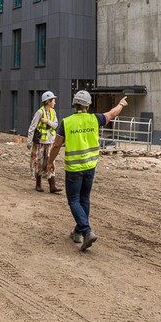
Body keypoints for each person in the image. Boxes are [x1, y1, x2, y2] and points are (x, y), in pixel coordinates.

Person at [46, 91, 127, 251]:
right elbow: (112, 114)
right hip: (90, 166)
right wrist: (122, 104)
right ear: (88, 105)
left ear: (75, 105)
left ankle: (87, 231)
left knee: (74, 200)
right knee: (84, 199)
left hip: (74, 168)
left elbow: (56, 145)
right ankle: (78, 231)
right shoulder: (94, 119)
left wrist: (50, 162)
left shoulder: (67, 122)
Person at [26, 91, 62, 194]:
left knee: (51, 162)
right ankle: (38, 185)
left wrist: (47, 122)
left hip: (49, 142)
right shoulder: (39, 112)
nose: (54, 102)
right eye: (53, 100)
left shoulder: (53, 112)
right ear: (48, 102)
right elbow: (32, 127)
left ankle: (52, 186)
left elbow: (55, 125)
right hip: (40, 142)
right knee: (39, 162)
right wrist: (29, 141)